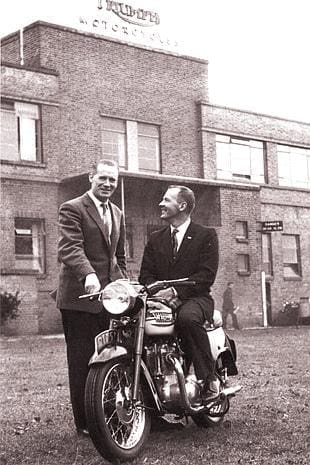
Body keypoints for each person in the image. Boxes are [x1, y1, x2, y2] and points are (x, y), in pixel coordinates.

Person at [55, 159, 127, 436]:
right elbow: (70, 248)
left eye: (112, 180)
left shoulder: (118, 213)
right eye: (103, 179)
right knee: (82, 360)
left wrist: (124, 286)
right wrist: (88, 275)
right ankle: (85, 423)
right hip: (79, 300)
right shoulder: (72, 208)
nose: (107, 184)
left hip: (109, 300)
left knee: (111, 357)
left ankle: (107, 415)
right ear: (91, 178)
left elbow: (117, 257)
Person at [139, 185, 219, 402]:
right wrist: (156, 290)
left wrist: (174, 291)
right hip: (159, 300)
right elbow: (145, 274)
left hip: (196, 298)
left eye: (166, 200)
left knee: (187, 319)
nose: (160, 204)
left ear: (182, 205)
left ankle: (209, 378)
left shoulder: (206, 235)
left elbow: (205, 276)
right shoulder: (155, 238)